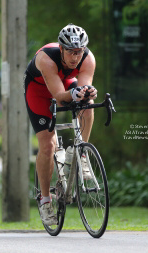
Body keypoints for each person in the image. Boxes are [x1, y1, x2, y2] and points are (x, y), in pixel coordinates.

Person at [24, 23, 97, 225]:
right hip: (38, 90)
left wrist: (86, 92)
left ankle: (80, 153)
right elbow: (59, 98)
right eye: (71, 52)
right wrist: (73, 93)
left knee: (88, 105)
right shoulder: (46, 58)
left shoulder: (88, 59)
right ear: (61, 48)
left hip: (65, 84)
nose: (76, 57)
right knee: (48, 145)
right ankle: (45, 200)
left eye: (79, 52)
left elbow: (82, 87)